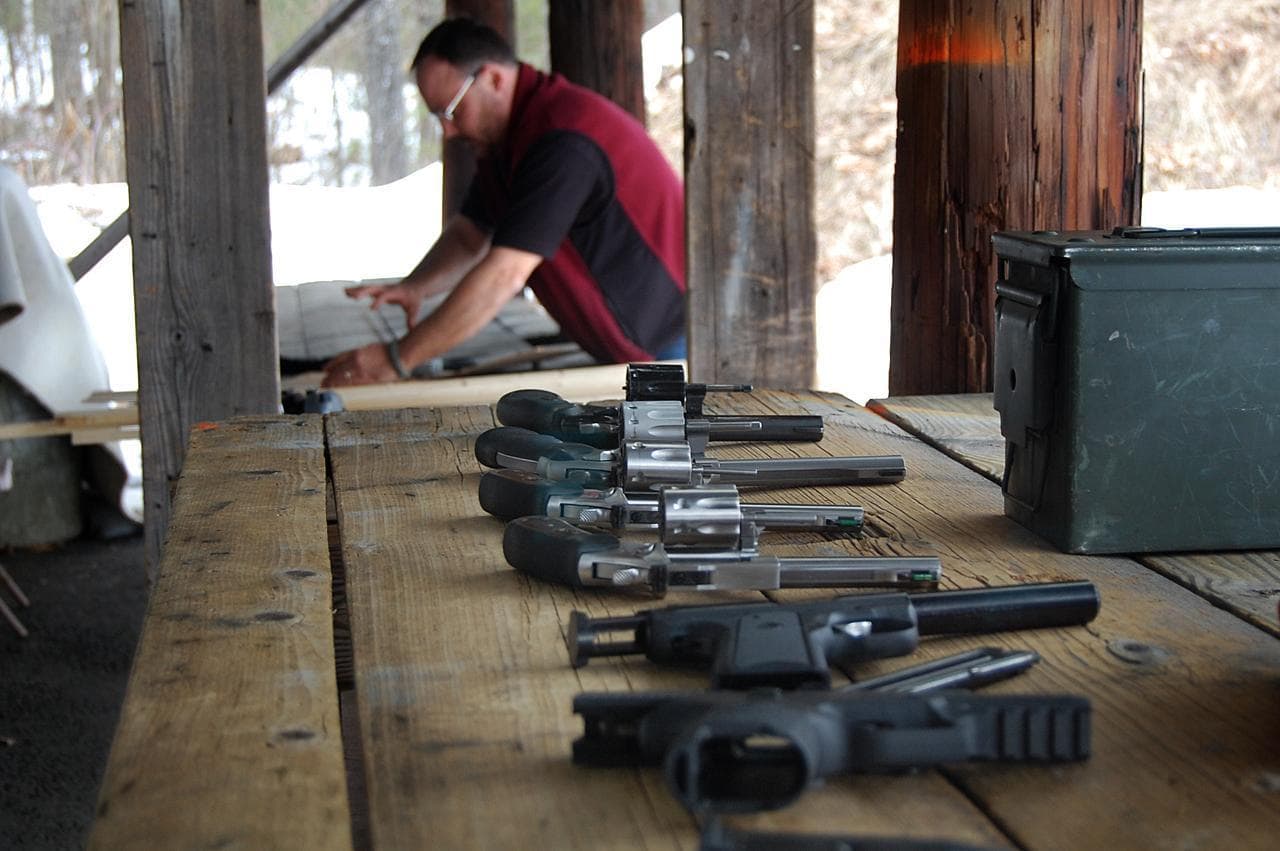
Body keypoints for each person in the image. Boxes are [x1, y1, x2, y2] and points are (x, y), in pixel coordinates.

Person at [322, 17, 686, 387]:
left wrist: (396, 360)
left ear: (493, 79)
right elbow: (469, 236)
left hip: (677, 347)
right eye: (438, 117)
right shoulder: (510, 141)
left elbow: (504, 274)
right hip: (639, 349)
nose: (448, 131)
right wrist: (416, 286)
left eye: (452, 111)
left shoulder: (562, 139)